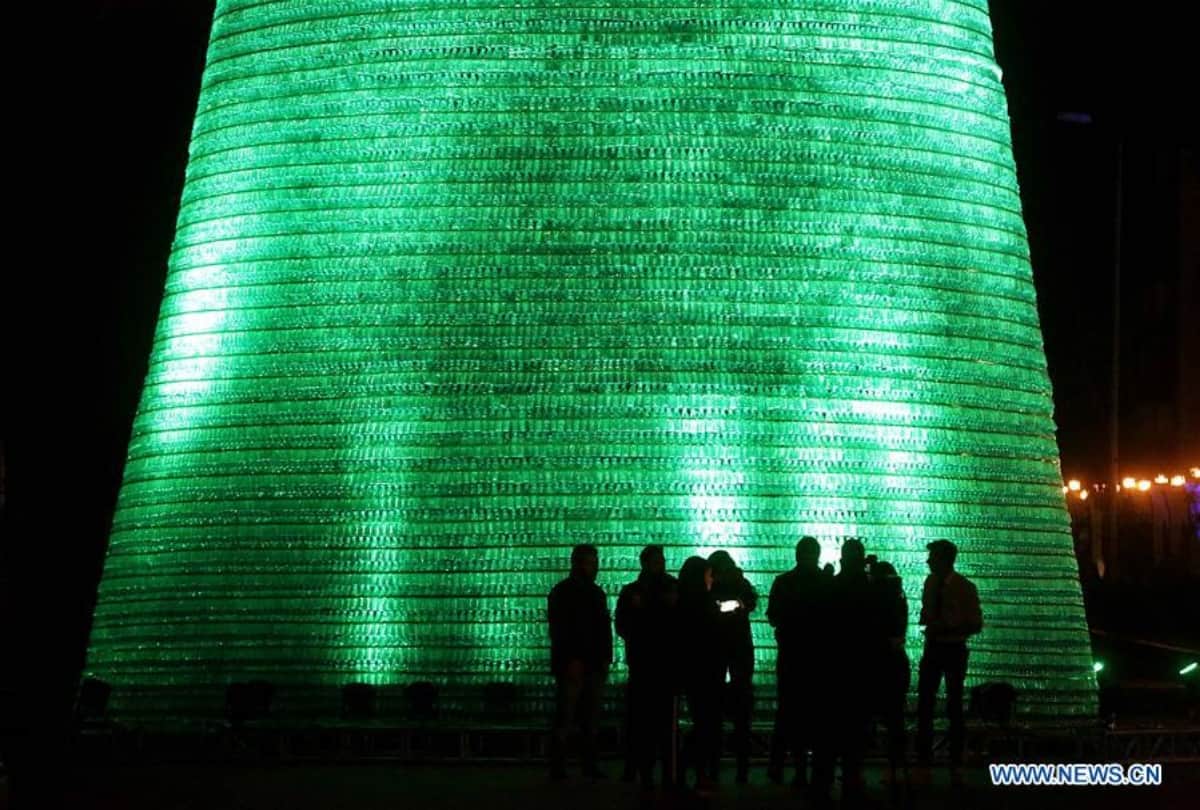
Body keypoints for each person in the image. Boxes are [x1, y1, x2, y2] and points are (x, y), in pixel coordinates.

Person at [916, 539, 983, 785]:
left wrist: (949, 625)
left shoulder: (965, 587)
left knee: (954, 706)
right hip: (933, 647)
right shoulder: (930, 583)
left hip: (954, 648)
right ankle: (924, 758)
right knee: (925, 703)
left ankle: (956, 759)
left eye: (933, 557)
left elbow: (976, 622)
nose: (929, 561)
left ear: (945, 560)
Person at [766, 535, 829, 788]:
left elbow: (773, 616)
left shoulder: (783, 583)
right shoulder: (824, 583)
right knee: (815, 716)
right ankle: (812, 773)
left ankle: (784, 767)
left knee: (788, 714)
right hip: (817, 660)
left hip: (792, 657)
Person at [615, 545, 680, 790]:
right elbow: (622, 625)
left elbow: (622, 626)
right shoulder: (669, 590)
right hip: (654, 664)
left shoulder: (636, 592)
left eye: (660, 560)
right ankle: (654, 771)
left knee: (647, 721)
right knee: (650, 722)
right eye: (656, 561)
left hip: (651, 664)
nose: (659, 564)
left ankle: (646, 771)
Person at [547, 544, 613, 780]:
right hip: (576, 664)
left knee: (586, 718)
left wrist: (605, 658)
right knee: (571, 716)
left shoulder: (591, 593)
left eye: (595, 562)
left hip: (590, 663)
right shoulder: (567, 593)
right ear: (576, 563)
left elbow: (603, 629)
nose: (594, 567)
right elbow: (561, 630)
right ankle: (564, 766)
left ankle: (581, 765)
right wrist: (573, 659)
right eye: (590, 563)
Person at [707, 550, 759, 784]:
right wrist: (735, 606)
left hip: (718, 648)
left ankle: (714, 766)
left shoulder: (711, 585)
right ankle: (742, 768)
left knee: (714, 709)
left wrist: (721, 608)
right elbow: (750, 602)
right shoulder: (741, 582)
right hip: (739, 648)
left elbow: (709, 609)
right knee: (741, 711)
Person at [675, 556, 721, 794]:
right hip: (705, 672)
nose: (712, 579)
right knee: (705, 725)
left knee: (700, 723)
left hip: (689, 671)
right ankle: (697, 773)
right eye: (709, 575)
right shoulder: (704, 604)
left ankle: (682, 773)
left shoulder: (680, 603)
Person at [869, 560, 911, 794]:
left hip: (876, 665)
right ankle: (896, 770)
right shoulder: (899, 599)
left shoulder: (873, 601)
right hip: (896, 664)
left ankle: (856, 774)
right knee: (895, 719)